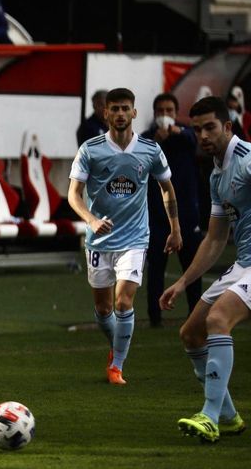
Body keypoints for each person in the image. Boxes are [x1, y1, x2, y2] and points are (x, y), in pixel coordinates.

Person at [68, 87, 182, 385]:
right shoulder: (90, 149)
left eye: (125, 108)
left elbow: (167, 188)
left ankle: (116, 366)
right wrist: (91, 220)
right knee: (104, 310)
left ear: (134, 113)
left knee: (122, 303)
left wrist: (175, 228)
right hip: (99, 241)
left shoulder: (150, 149)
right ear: (105, 113)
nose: (120, 114)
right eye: (114, 109)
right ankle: (115, 346)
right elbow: (73, 195)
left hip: (134, 239)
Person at [160, 96, 249, 443]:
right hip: (244, 263)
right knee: (192, 333)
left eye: (210, 127)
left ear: (228, 127)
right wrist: (182, 282)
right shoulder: (216, 175)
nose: (203, 135)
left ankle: (209, 416)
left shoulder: (248, 161)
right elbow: (214, 239)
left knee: (218, 321)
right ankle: (227, 417)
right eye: (197, 130)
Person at [141, 93, 202, 328]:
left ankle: (195, 315)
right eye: (161, 111)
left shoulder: (185, 135)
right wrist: (157, 139)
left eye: (169, 110)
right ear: (154, 114)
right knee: (156, 269)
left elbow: (193, 140)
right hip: (157, 216)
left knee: (193, 268)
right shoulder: (147, 139)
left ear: (176, 113)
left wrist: (176, 131)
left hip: (187, 214)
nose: (165, 115)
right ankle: (155, 317)